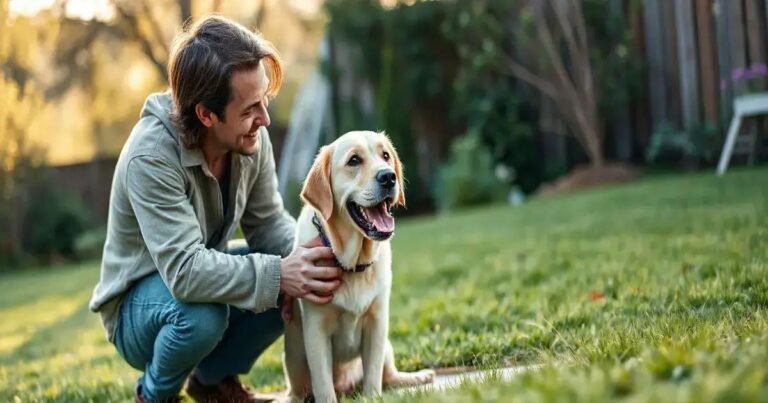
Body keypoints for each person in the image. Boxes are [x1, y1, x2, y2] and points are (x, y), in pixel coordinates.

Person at [89, 15, 342, 402]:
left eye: (265, 101)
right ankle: (154, 395)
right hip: (137, 312)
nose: (265, 119)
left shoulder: (249, 139)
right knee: (204, 315)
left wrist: (310, 259)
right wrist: (280, 273)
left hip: (193, 284)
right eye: (249, 109)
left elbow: (269, 222)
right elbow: (186, 272)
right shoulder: (151, 157)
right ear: (206, 114)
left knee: (295, 272)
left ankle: (212, 383)